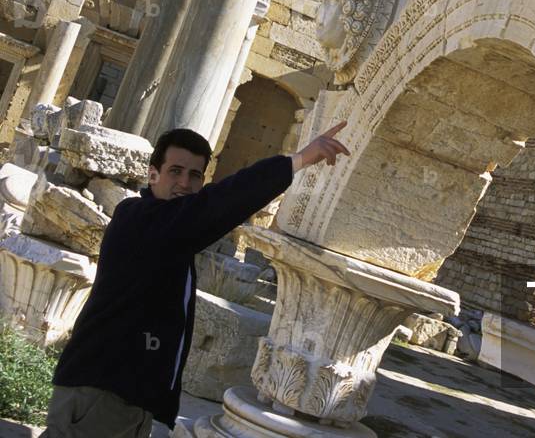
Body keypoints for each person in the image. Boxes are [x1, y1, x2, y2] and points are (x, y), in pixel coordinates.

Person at [40, 120, 350, 437]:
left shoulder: (171, 231)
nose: (184, 183)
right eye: (175, 171)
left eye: (195, 175)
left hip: (125, 399)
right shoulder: (138, 219)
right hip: (100, 395)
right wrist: (297, 161)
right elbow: (219, 203)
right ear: (152, 175)